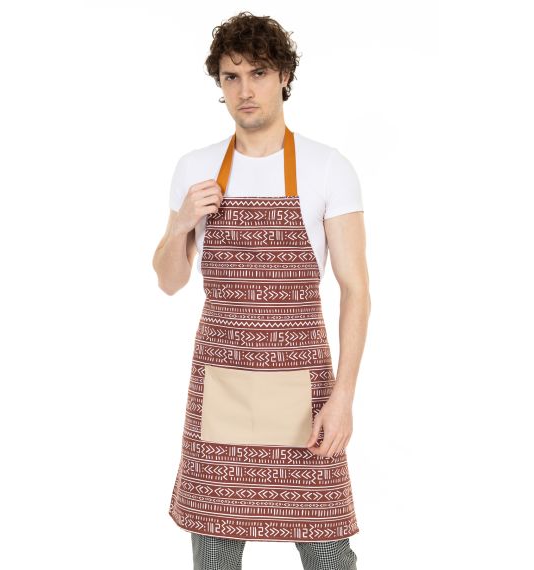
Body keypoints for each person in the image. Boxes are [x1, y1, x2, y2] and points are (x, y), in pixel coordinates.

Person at [153, 11, 370, 570]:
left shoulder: (327, 168)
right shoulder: (196, 168)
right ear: (220, 84)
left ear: (284, 77)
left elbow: (355, 289)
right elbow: (170, 281)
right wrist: (181, 224)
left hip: (305, 393)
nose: (245, 90)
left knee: (329, 555)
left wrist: (343, 396)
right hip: (221, 386)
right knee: (215, 557)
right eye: (232, 76)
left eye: (259, 73)